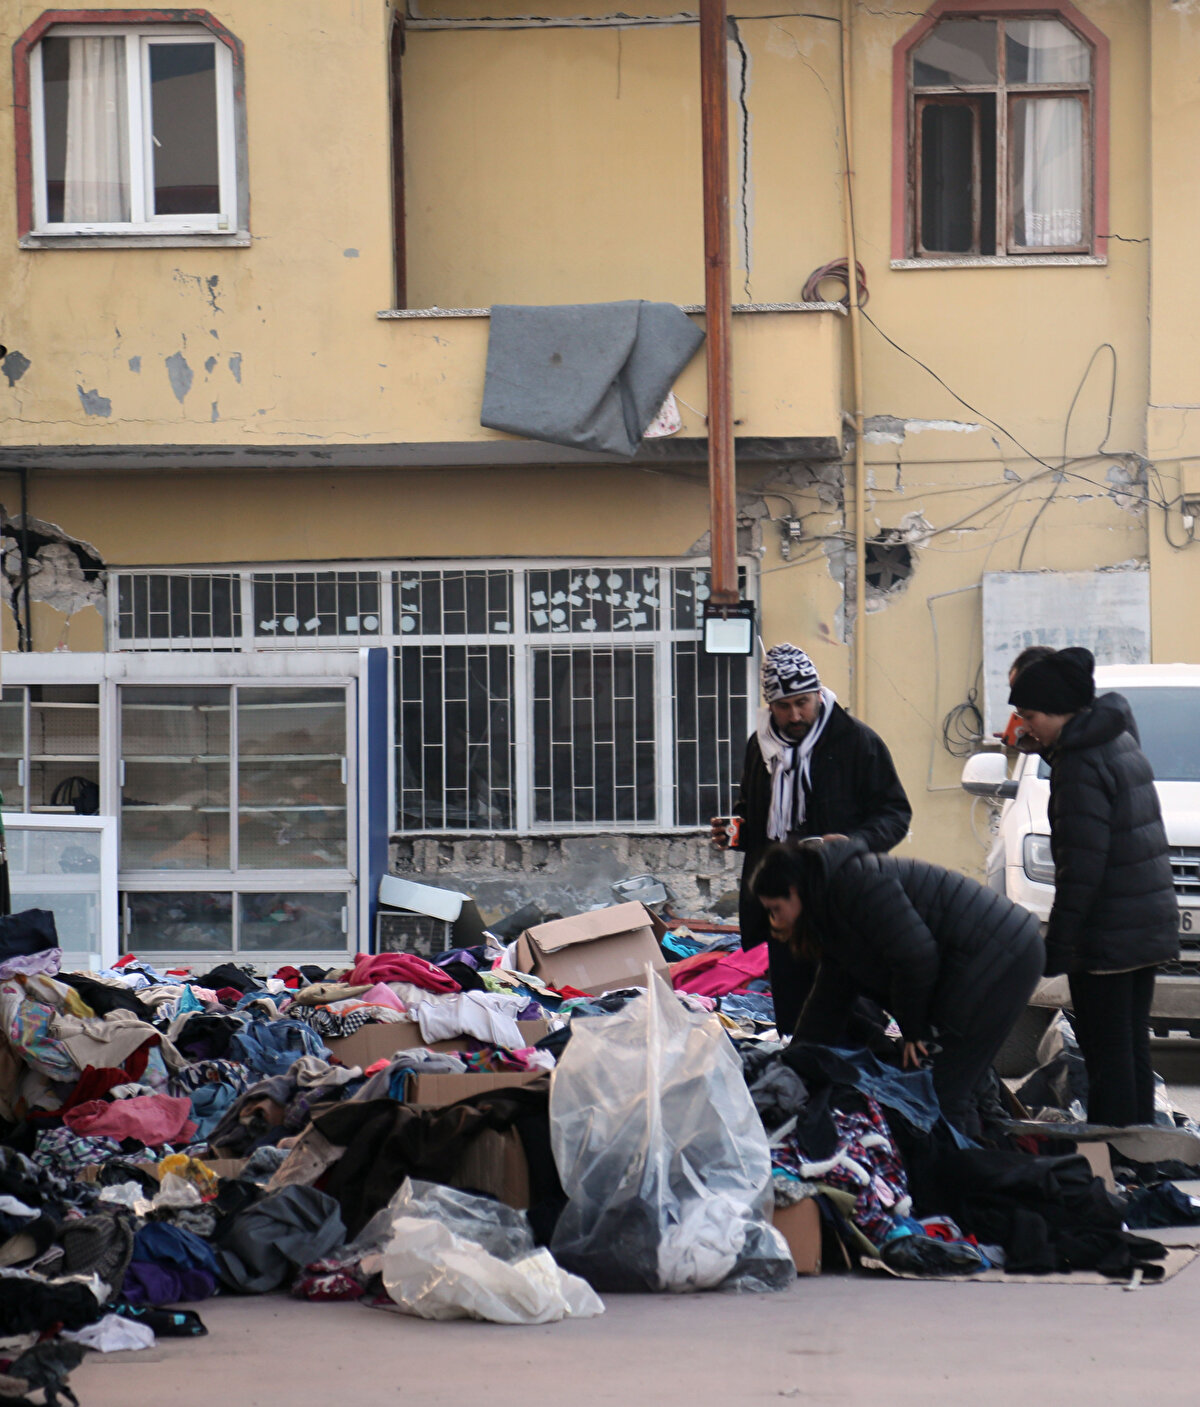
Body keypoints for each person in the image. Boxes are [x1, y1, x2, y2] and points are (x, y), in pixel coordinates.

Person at [750, 837, 1045, 1137]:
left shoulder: (855, 884)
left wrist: (913, 1031)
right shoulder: (834, 905)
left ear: (794, 891)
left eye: (775, 909)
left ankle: (962, 1174)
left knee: (941, 1092)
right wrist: (794, 1059)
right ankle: (985, 1157)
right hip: (989, 959)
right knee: (951, 1079)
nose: (776, 921)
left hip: (1000, 959)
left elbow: (916, 956)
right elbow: (829, 997)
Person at [1009, 647, 1178, 1126]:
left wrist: (1059, 947)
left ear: (1058, 710)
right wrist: (1042, 747)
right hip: (1142, 921)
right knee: (1129, 1044)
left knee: (1107, 1056)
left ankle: (1116, 1154)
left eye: (1030, 714)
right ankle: (1139, 1149)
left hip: (1109, 930)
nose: (1025, 723)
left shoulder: (1079, 765)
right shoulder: (1113, 736)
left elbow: (1082, 869)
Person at [710, 643, 911, 1036]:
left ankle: (855, 1090)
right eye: (783, 706)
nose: (795, 715)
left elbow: (895, 814)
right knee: (793, 1014)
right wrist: (736, 832)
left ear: (819, 694)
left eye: (802, 702)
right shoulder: (760, 747)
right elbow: (756, 817)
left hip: (840, 901)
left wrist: (852, 843)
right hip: (782, 909)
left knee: (851, 1015)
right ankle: (804, 1087)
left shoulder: (856, 743)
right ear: (771, 706)